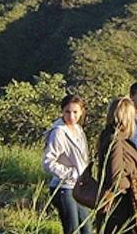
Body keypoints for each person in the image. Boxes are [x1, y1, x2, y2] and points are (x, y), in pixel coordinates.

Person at [95, 97, 137, 234]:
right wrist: (132, 184)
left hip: (117, 202)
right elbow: (115, 175)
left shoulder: (113, 136)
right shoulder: (116, 140)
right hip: (120, 204)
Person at [43, 94, 92, 234]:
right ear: (62, 112)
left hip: (80, 186)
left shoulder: (79, 130)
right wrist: (69, 174)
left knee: (87, 228)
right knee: (72, 229)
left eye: (75, 112)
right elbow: (47, 162)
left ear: (81, 112)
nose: (71, 116)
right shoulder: (58, 132)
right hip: (64, 187)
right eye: (67, 112)